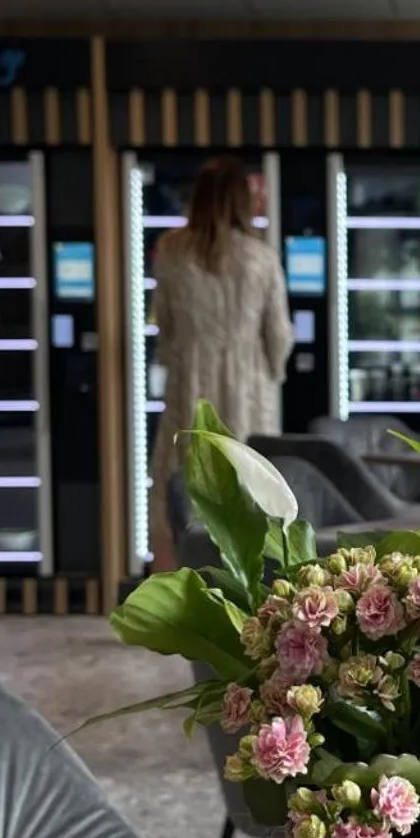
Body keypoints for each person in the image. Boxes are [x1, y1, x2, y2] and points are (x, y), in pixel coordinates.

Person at [149, 156, 292, 569]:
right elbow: (279, 335)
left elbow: (166, 327)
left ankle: (175, 603)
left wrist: (180, 360)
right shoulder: (260, 258)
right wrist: (271, 372)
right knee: (251, 495)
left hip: (190, 388)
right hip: (249, 394)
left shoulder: (172, 250)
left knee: (177, 491)